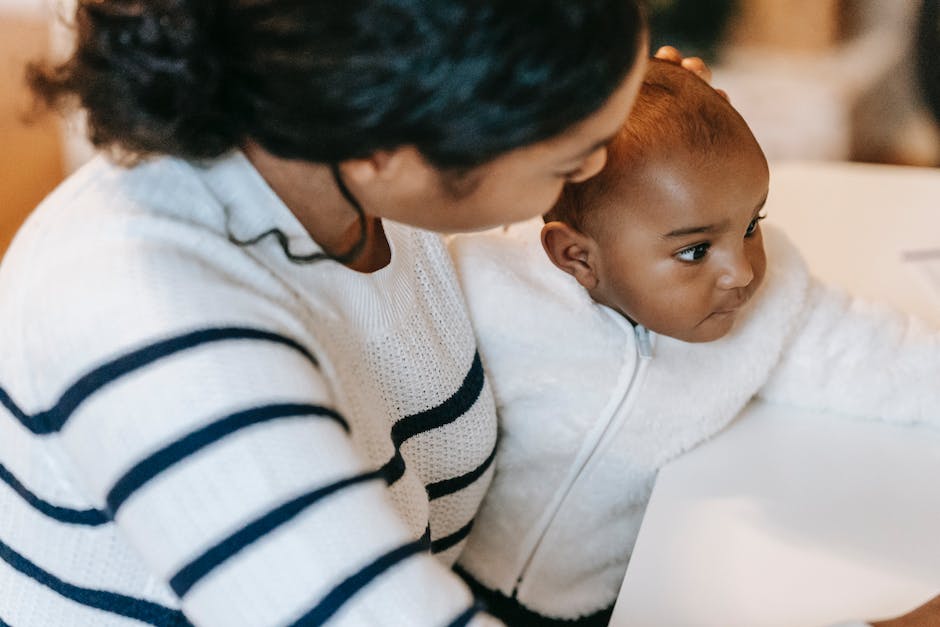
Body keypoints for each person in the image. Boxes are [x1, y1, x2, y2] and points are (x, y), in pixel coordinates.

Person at [0, 1, 652, 625]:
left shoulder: (347, 173)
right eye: (574, 158)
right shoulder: (138, 310)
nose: (599, 163)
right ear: (384, 152)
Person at [448, 59, 940, 626]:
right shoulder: (488, 288)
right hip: (450, 576)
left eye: (752, 224)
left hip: (615, 602)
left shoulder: (770, 303)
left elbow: (878, 356)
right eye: (695, 250)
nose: (741, 272)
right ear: (578, 257)